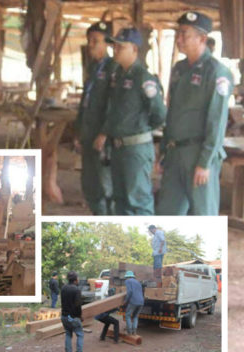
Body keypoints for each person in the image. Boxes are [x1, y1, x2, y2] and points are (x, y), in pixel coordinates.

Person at [156, 12, 233, 215]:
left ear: (202, 38)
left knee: (203, 216)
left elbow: (217, 121)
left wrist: (205, 162)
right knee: (167, 215)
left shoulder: (216, 72)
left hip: (198, 153)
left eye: (184, 34)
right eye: (178, 33)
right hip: (175, 153)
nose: (179, 39)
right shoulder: (179, 69)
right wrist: (163, 150)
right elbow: (173, 113)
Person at [98, 28, 166, 215]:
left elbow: (160, 114)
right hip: (118, 148)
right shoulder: (118, 76)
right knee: (120, 200)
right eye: (114, 46)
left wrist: (140, 127)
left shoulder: (143, 78)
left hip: (136, 149)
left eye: (121, 47)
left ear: (134, 49)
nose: (115, 50)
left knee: (138, 201)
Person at [74, 21, 116, 215]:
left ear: (107, 43)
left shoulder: (113, 68)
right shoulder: (93, 68)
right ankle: (97, 216)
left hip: (102, 137)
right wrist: (78, 131)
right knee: (89, 184)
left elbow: (114, 105)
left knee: (105, 185)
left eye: (95, 41)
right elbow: (85, 102)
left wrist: (105, 133)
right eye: (89, 40)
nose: (90, 45)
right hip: (88, 134)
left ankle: (110, 220)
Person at [60, 271, 84, 352]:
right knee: (80, 334)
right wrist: (80, 316)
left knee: (68, 334)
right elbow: (78, 305)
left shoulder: (63, 288)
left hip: (64, 316)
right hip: (73, 317)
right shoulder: (76, 290)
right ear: (75, 280)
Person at [123, 270, 144, 335]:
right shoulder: (138, 282)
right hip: (141, 301)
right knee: (135, 316)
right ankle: (134, 331)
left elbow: (130, 291)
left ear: (127, 277)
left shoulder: (128, 281)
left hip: (133, 301)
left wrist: (125, 301)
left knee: (127, 315)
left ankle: (129, 332)